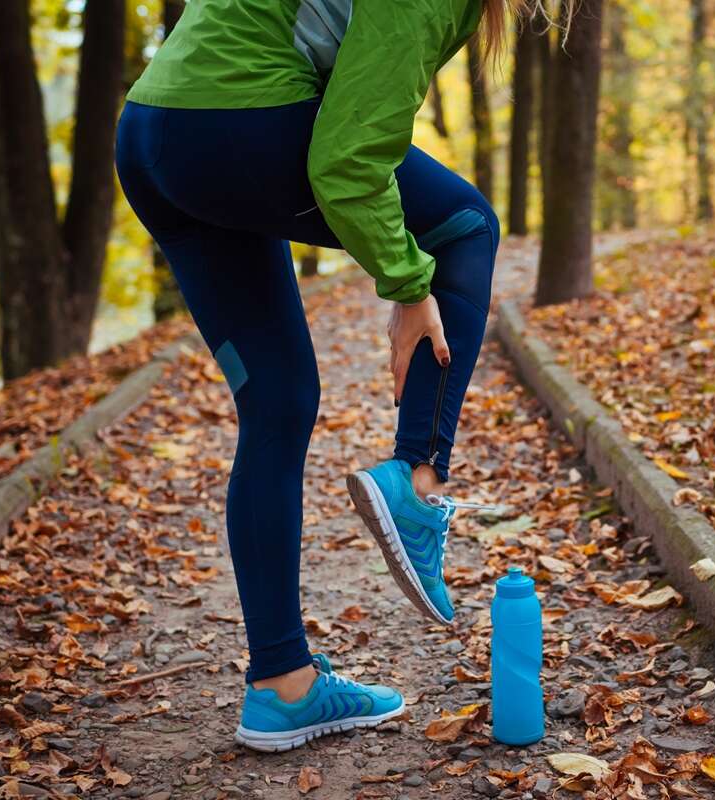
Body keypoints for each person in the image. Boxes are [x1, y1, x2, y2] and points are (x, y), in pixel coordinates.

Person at [115, 0, 520, 752]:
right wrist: (407, 285)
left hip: (152, 133)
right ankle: (419, 482)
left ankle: (281, 688)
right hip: (228, 125)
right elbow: (348, 156)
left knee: (277, 400)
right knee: (465, 225)